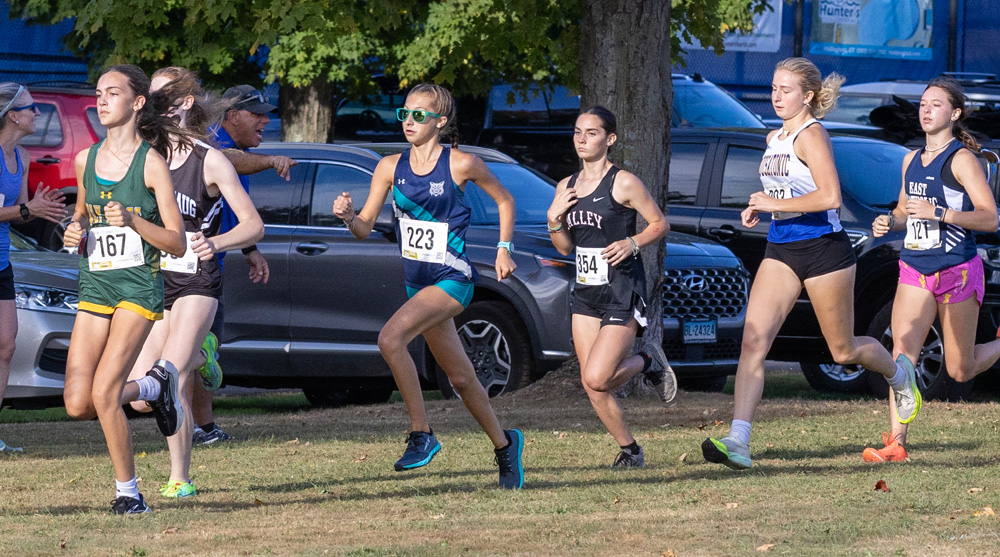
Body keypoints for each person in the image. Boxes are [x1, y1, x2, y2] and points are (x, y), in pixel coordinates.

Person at [702, 57, 920, 470]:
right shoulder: (773, 138)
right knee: (754, 341)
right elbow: (782, 193)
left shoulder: (812, 134)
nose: (776, 96)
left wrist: (775, 204)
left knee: (843, 350)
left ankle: (898, 374)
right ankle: (739, 441)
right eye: (773, 88)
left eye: (786, 90)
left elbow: (830, 197)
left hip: (824, 250)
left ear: (807, 96)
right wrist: (758, 208)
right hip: (781, 248)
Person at [332, 83, 525, 489]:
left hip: (454, 280)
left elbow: (506, 200)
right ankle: (506, 446)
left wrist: (505, 249)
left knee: (390, 339)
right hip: (416, 284)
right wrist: (349, 216)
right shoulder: (388, 167)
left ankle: (422, 433)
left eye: (419, 115)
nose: (409, 122)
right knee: (460, 378)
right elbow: (365, 229)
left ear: (440, 122)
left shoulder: (461, 164)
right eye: (404, 113)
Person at [123, 67, 264, 498]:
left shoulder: (211, 159)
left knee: (171, 375)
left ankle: (179, 477)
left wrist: (215, 241)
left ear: (184, 104)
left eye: (161, 97)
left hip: (195, 282)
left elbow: (254, 225)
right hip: (151, 280)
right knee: (142, 397)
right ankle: (202, 354)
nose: (149, 104)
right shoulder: (143, 155)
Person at [61, 65, 188, 514]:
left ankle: (129, 495)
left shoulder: (151, 163)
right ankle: (154, 388)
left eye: (112, 93)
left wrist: (135, 221)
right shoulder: (85, 160)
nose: (100, 100)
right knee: (78, 403)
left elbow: (177, 241)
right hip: (96, 283)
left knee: (104, 393)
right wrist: (73, 230)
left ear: (136, 103)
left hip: (138, 286)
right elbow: (79, 214)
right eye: (97, 93)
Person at [863, 77, 1000, 462]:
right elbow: (906, 211)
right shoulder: (909, 160)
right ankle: (896, 443)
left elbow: (990, 218)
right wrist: (888, 222)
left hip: (957, 270)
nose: (926, 110)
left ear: (954, 114)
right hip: (914, 269)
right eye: (923, 104)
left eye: (935, 104)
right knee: (902, 355)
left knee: (960, 369)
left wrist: (942, 213)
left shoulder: (962, 160)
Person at [545, 106, 674, 468]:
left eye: (591, 133)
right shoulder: (564, 187)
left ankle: (649, 360)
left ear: (609, 139)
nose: (581, 140)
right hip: (586, 292)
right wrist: (553, 219)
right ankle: (631, 451)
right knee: (593, 385)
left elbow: (659, 224)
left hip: (622, 289)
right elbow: (565, 248)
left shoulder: (623, 183)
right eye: (577, 132)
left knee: (597, 376)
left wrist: (632, 243)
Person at [188, 84, 295, 446]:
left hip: (210, 265)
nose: (266, 120)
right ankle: (184, 425)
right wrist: (270, 161)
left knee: (205, 350)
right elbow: (224, 160)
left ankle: (202, 428)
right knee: (195, 350)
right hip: (188, 269)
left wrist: (249, 249)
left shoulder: (239, 152)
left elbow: (233, 210)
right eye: (257, 113)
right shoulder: (213, 144)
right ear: (232, 116)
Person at [0, 82, 67, 452]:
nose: (36, 114)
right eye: (30, 108)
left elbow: (20, 213)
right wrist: (28, 210)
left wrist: (43, 210)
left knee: (6, 346)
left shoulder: (22, 157)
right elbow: (17, 210)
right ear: (12, 115)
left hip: (2, 263)